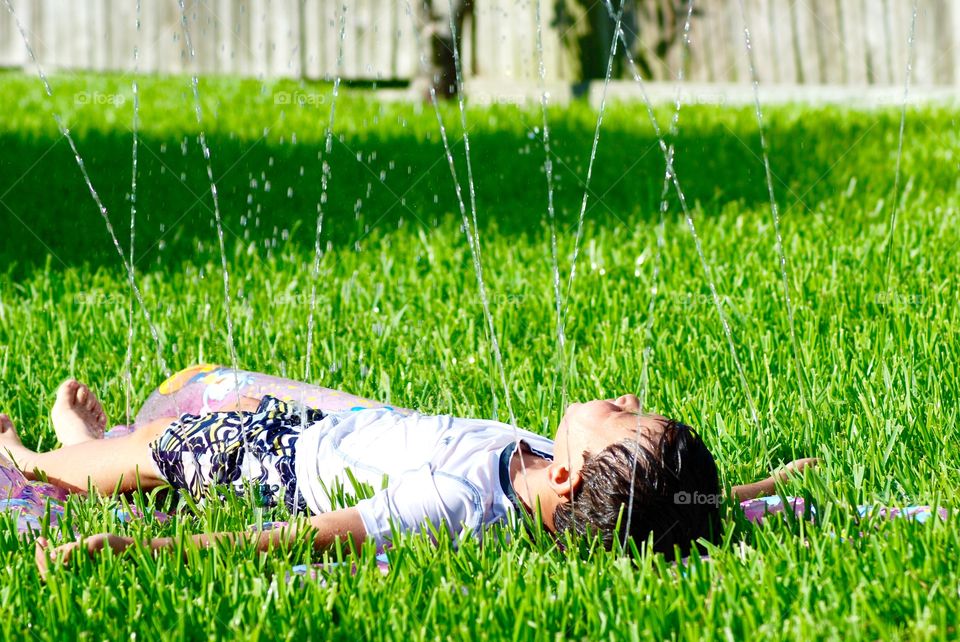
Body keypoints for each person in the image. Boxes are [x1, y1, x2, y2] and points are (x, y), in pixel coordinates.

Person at [0, 367, 814, 577]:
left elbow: (306, 536)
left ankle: (44, 451)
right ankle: (93, 444)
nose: (626, 395)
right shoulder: (549, 479)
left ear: (570, 478)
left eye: (624, 414)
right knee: (144, 448)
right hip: (335, 429)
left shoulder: (458, 503)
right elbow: (655, 509)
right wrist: (748, 493)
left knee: (126, 462)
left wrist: (138, 554)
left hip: (262, 455)